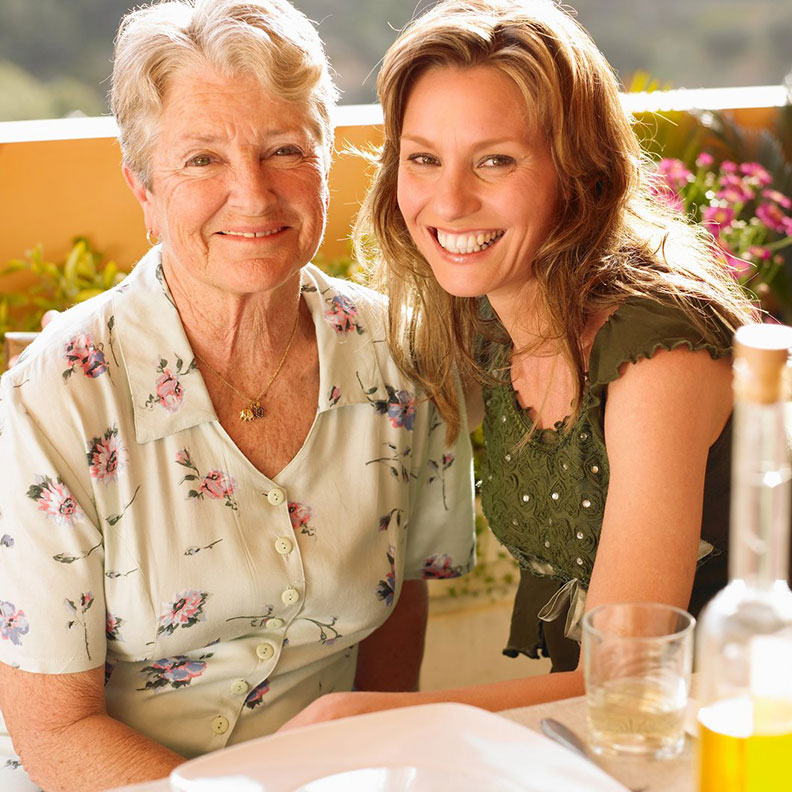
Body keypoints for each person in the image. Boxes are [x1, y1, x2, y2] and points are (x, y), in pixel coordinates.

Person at [0, 1, 475, 789]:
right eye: (201, 160)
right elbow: (54, 729)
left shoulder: (405, 356)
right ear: (144, 188)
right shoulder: (55, 401)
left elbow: (401, 611)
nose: (252, 195)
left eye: (284, 150)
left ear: (327, 162)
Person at [280, 0, 756, 730]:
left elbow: (624, 675)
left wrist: (368, 716)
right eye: (423, 158)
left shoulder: (661, 355)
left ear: (580, 169)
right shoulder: (485, 322)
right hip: (620, 730)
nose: (450, 200)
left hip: (737, 726)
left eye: (495, 160)